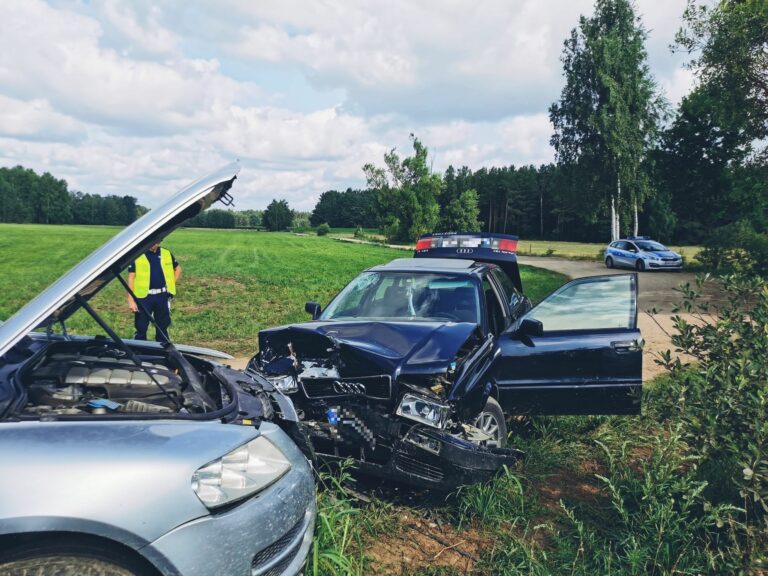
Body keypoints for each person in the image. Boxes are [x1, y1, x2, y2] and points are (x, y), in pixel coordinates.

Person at [127, 243, 181, 342]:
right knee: (141, 327)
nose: (154, 244)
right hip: (143, 297)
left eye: (157, 241)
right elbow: (131, 278)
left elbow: (177, 269)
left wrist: (170, 284)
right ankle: (139, 350)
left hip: (162, 296)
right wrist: (130, 299)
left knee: (162, 326)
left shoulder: (166, 253)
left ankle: (162, 349)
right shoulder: (137, 255)